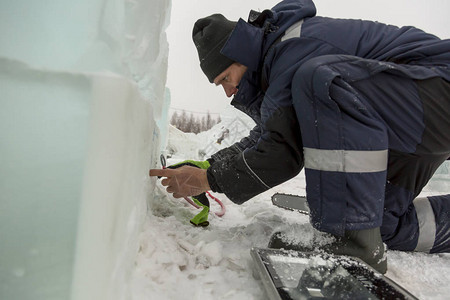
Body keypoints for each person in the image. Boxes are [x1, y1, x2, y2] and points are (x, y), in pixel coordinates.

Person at [150, 0, 450, 274]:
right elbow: (271, 134)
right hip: (410, 121)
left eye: (226, 78)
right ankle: (361, 233)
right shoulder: (276, 62)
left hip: (434, 88)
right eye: (220, 85)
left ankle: (350, 240)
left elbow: (282, 150)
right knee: (379, 223)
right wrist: (209, 168)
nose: (228, 91)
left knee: (320, 78)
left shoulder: (291, 49)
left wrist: (210, 180)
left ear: (240, 56)